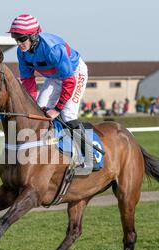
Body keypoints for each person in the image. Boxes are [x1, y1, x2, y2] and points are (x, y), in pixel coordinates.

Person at [8, 13, 99, 170]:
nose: (19, 43)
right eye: (15, 38)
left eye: (22, 38)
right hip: (54, 77)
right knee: (38, 112)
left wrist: (57, 108)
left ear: (34, 36)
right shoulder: (21, 52)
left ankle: (90, 157)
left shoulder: (53, 49)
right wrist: (30, 102)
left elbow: (69, 82)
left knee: (68, 114)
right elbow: (28, 81)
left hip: (74, 74)